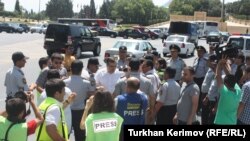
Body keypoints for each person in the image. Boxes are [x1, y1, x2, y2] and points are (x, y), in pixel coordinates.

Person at [64, 60, 95, 141]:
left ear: (71, 69)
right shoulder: (86, 83)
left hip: (67, 111)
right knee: (80, 135)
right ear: (81, 70)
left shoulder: (64, 82)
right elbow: (92, 94)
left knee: (65, 134)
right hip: (81, 112)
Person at [38, 69, 76, 135]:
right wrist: (68, 101)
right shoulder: (67, 91)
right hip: (59, 132)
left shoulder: (42, 95)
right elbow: (51, 129)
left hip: (49, 133)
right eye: (63, 92)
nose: (64, 94)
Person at [214, 56, 242, 125]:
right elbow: (230, 76)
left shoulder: (225, 93)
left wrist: (219, 64)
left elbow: (218, 76)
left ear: (225, 84)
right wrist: (223, 66)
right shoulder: (238, 91)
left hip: (220, 122)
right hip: (232, 122)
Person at [201, 55, 217, 125]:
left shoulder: (215, 72)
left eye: (208, 60)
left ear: (212, 62)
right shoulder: (209, 69)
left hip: (208, 96)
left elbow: (212, 87)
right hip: (204, 93)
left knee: (206, 114)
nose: (206, 62)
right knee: (204, 113)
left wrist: (207, 97)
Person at [193, 46, 208, 114]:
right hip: (194, 79)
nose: (199, 53)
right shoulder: (196, 59)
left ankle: (198, 108)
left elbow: (206, 72)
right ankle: (193, 107)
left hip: (201, 79)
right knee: (193, 94)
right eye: (198, 51)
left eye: (200, 52)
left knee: (199, 95)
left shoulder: (205, 61)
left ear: (203, 53)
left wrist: (204, 81)